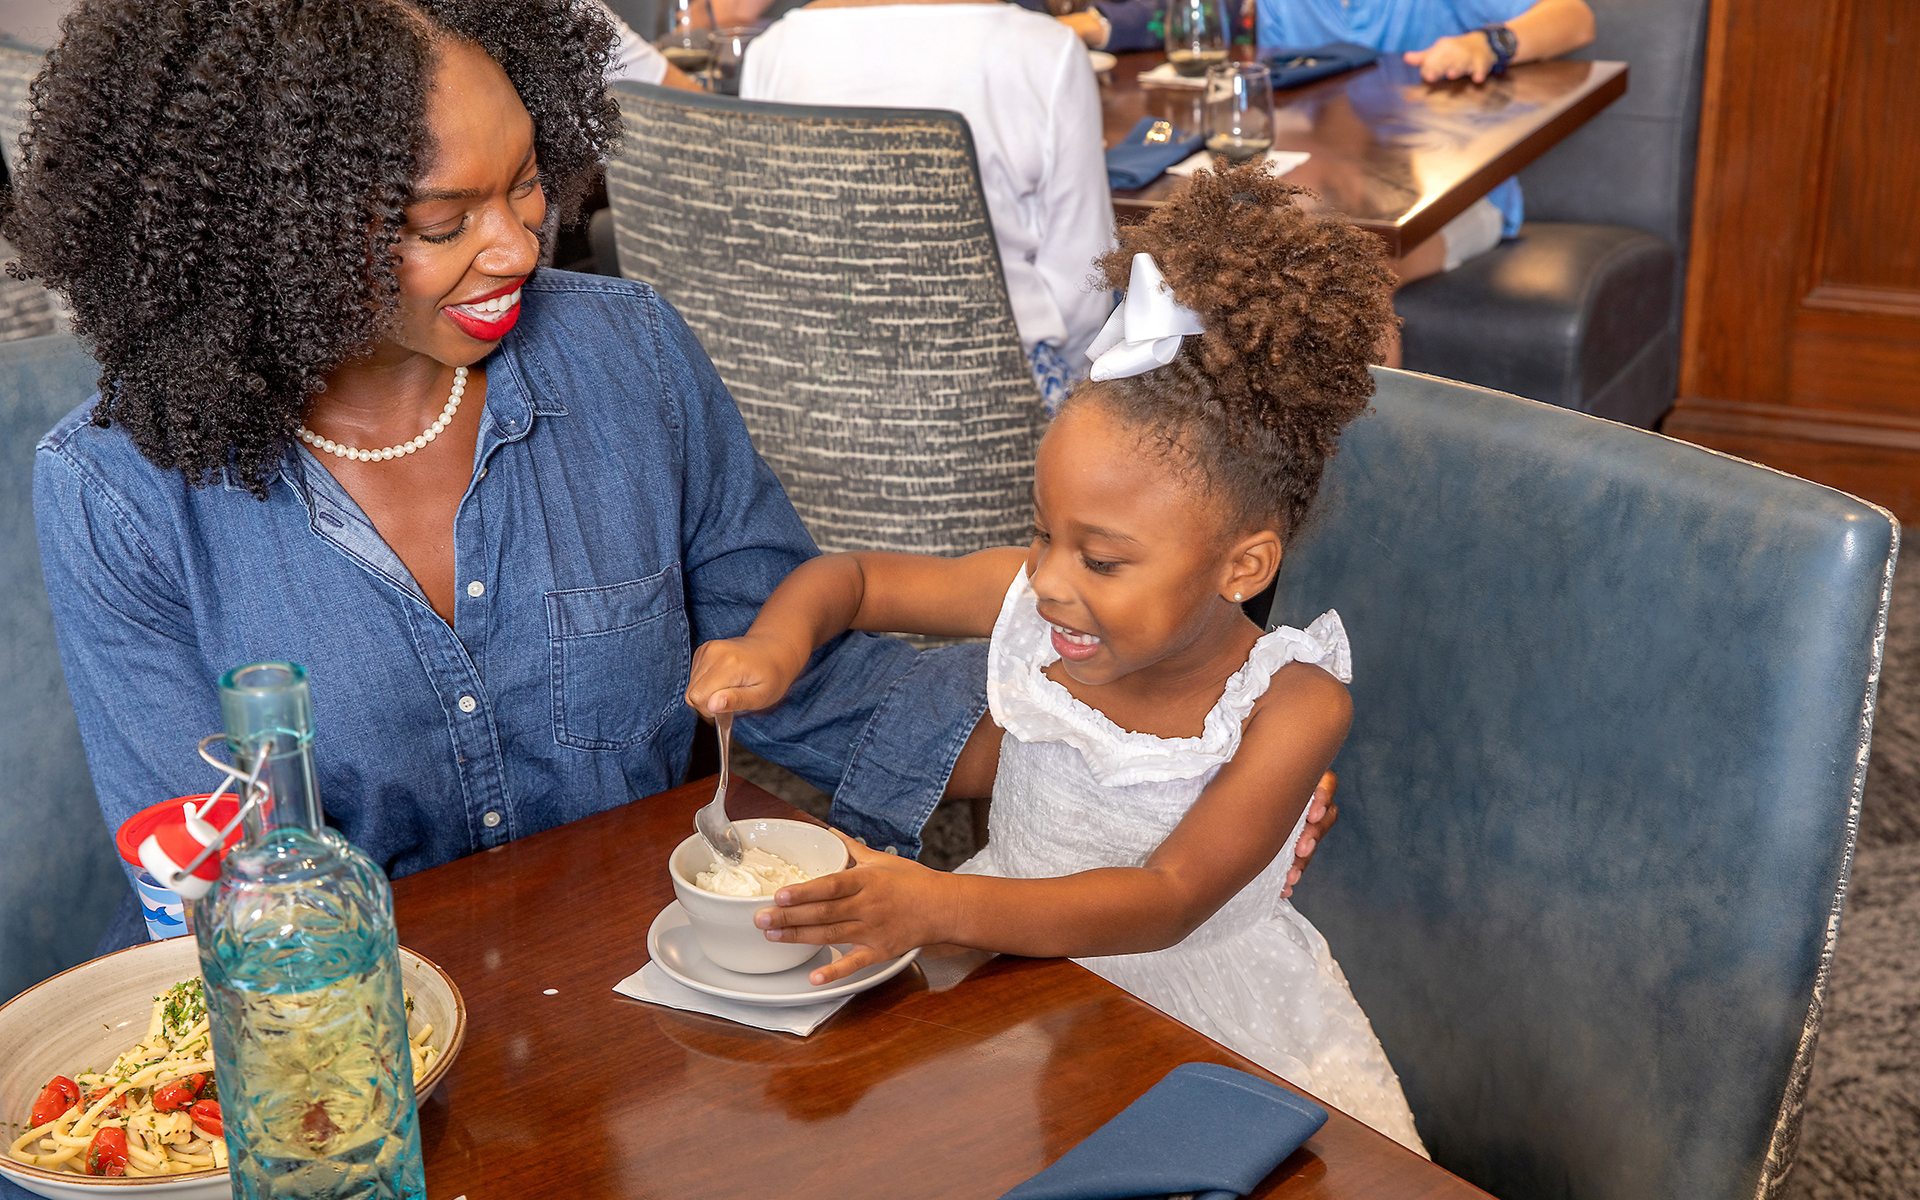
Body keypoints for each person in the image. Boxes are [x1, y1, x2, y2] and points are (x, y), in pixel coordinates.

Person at [8, 0, 1335, 934]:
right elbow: (211, 898)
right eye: (444, 221)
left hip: (649, 1003)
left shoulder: (625, 355)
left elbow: (798, 677)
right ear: (271, 230)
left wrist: (1159, 766)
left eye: (529, 184)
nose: (519, 247)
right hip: (354, 1061)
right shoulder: (122, 494)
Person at [685, 161, 1424, 1152]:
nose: (1052, 581)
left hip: (1204, 1033)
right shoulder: (1033, 600)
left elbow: (1166, 902)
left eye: (1102, 560)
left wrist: (938, 903)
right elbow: (853, 579)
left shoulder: (1293, 705)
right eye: (1043, 534)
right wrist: (775, 644)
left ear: (1242, 566)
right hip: (1018, 985)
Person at [738, 0, 1116, 414]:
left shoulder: (772, 51)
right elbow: (1084, 289)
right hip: (994, 403)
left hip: (812, 399)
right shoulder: (1046, 51)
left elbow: (766, 257)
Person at [1256, 0, 1595, 292]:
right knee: (1262, 265)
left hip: (1455, 200)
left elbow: (1575, 19)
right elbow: (1278, 99)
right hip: (1332, 191)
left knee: (1357, 281)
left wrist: (1487, 44)